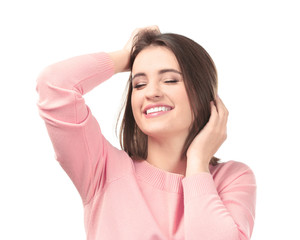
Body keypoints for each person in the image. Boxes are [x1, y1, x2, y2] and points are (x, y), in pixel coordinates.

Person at [36, 26, 256, 239]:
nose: (151, 92)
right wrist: (125, 56)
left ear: (203, 94)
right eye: (139, 84)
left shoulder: (233, 179)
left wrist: (198, 163)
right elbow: (54, 84)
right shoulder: (102, 170)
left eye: (170, 80)